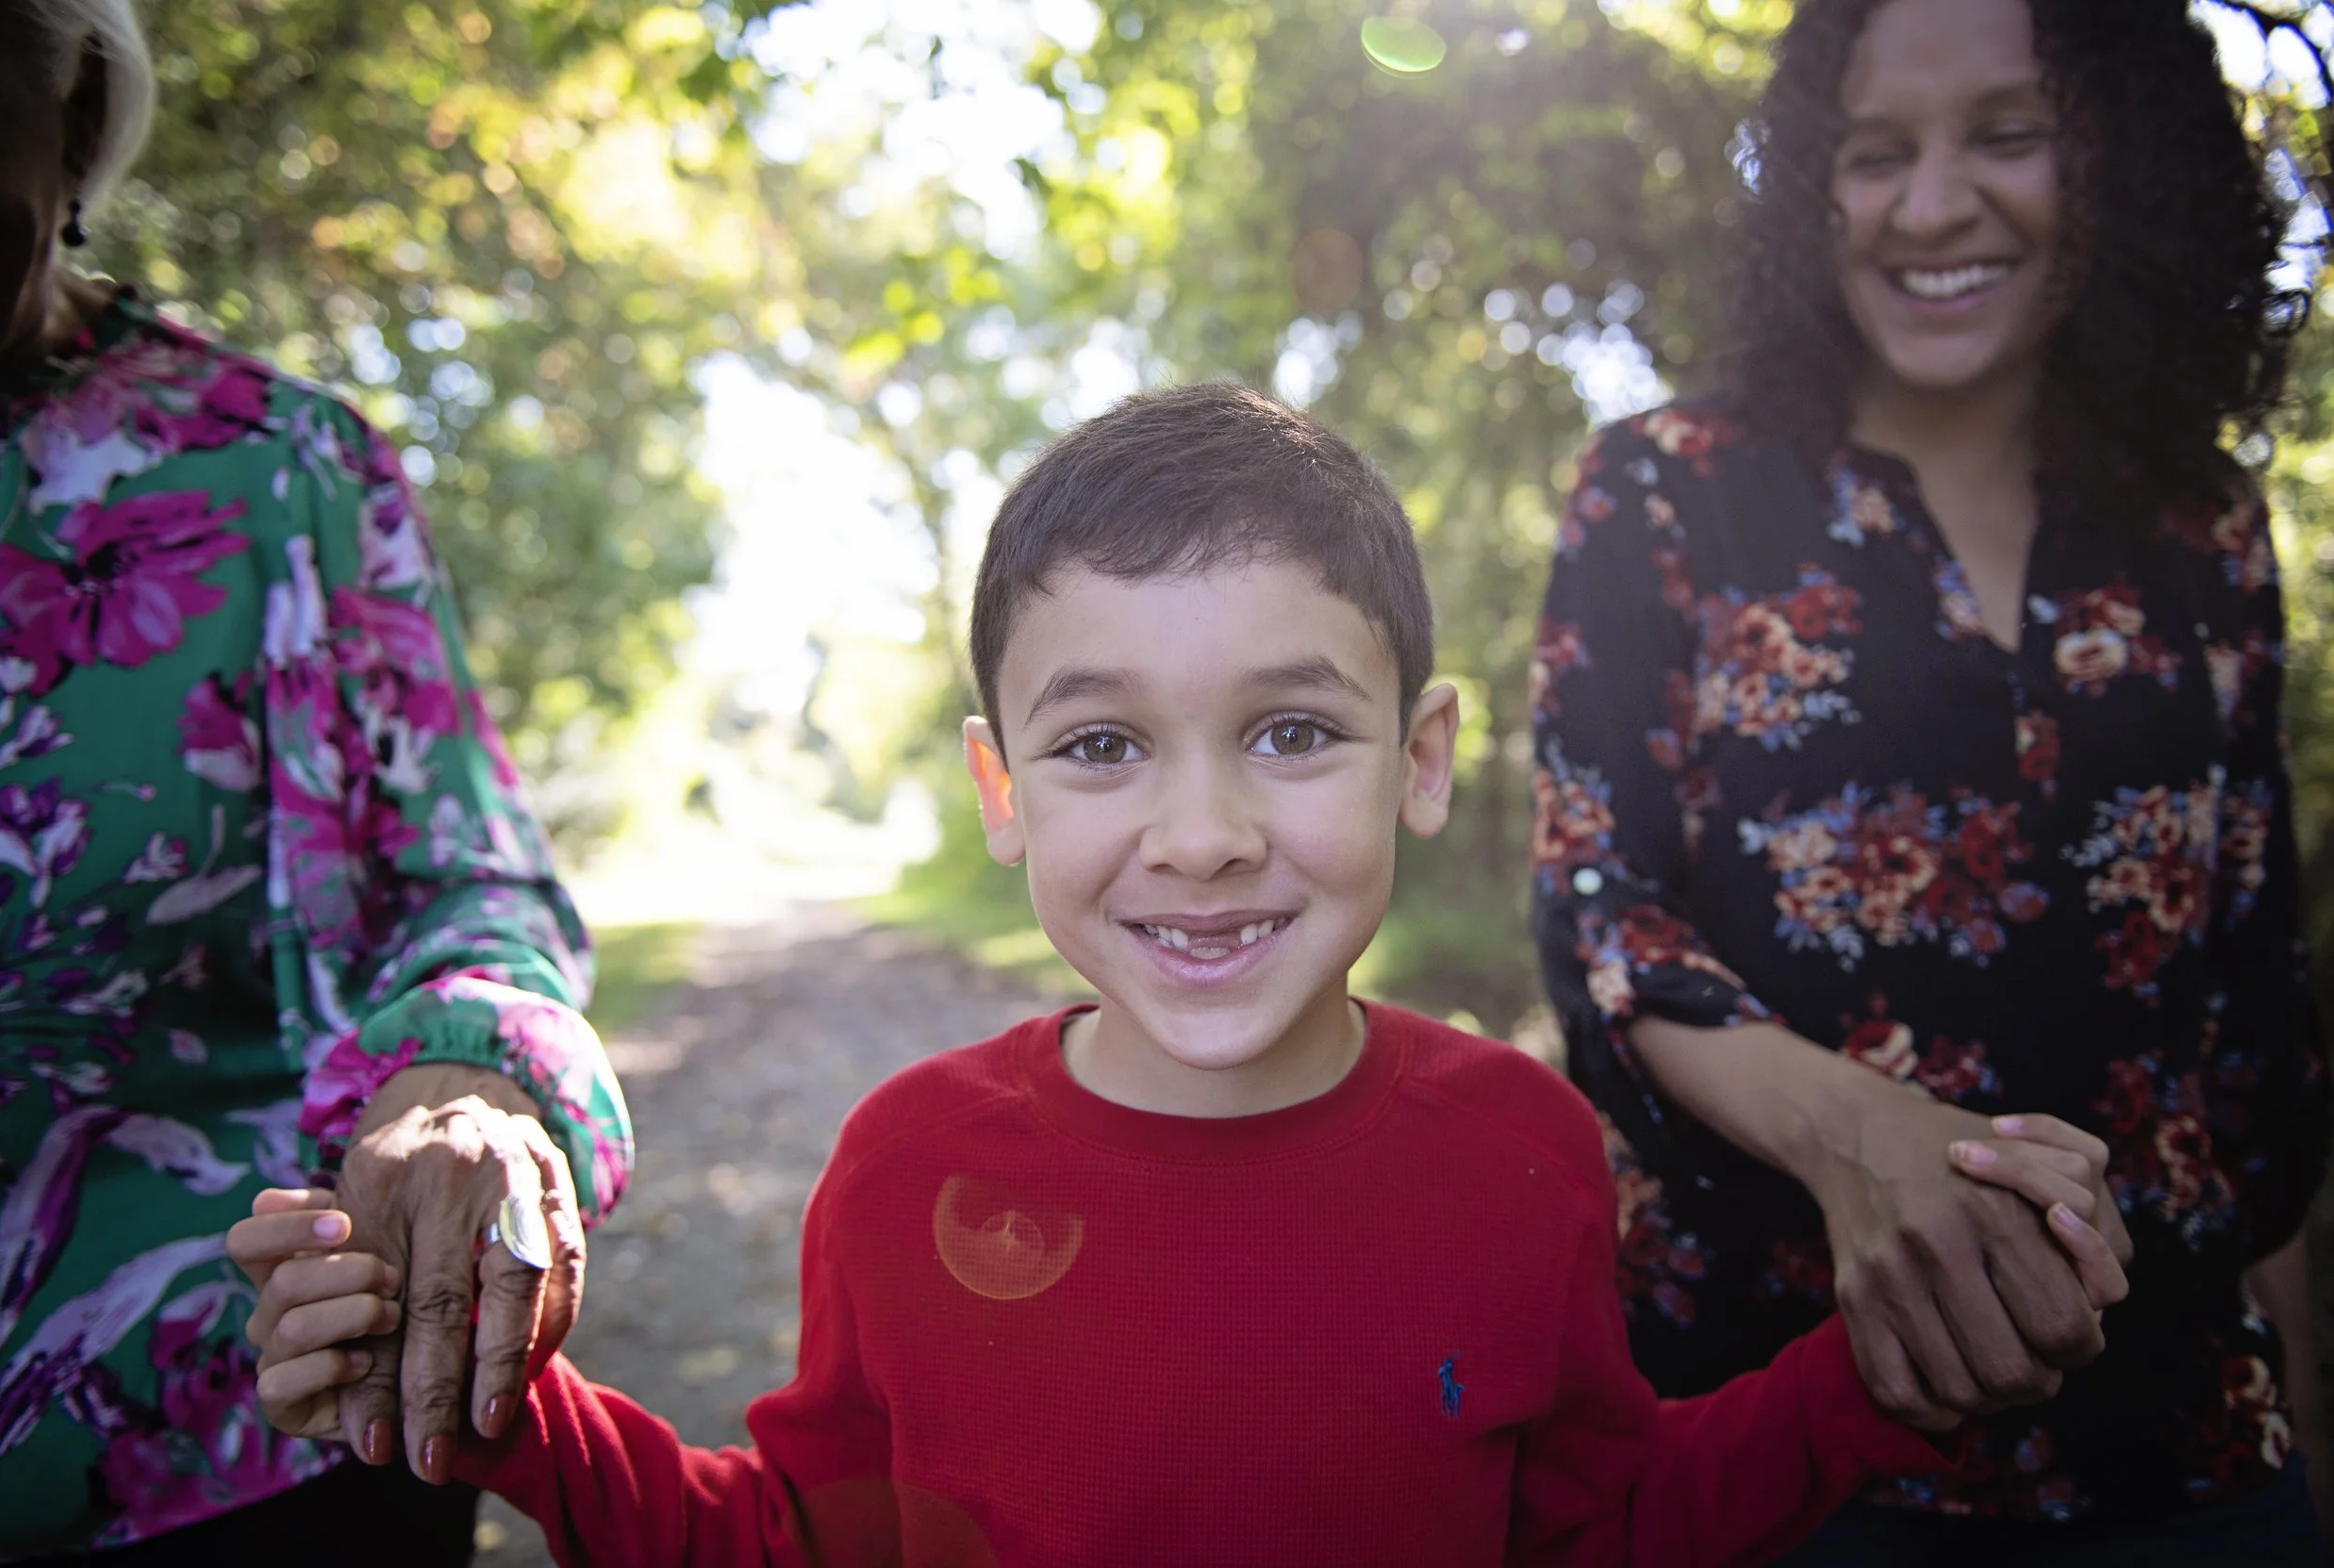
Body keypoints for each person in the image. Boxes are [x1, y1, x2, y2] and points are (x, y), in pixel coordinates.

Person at [234, 383, 2119, 1567]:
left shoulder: (1525, 1151)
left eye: (1291, 733)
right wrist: (508, 1424)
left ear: (1426, 757)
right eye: (1102, 746)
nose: (1200, 834)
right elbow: (804, 1538)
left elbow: (1607, 1524)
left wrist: (1881, 1378)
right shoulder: (902, 1166)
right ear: (996, 789)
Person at [1530, 0, 2328, 1560]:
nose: (1933, 203)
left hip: (2185, 1449)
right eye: (1876, 153)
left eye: (2009, 136)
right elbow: (1597, 910)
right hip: (1764, 1442)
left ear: (2126, 162)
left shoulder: (2209, 525)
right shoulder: (1663, 491)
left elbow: (2250, 1012)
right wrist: (1858, 1136)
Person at [0, 0, 632, 1559]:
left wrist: (462, 1082)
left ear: (70, 121)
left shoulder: (278, 472)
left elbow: (467, 873)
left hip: (244, 1424)